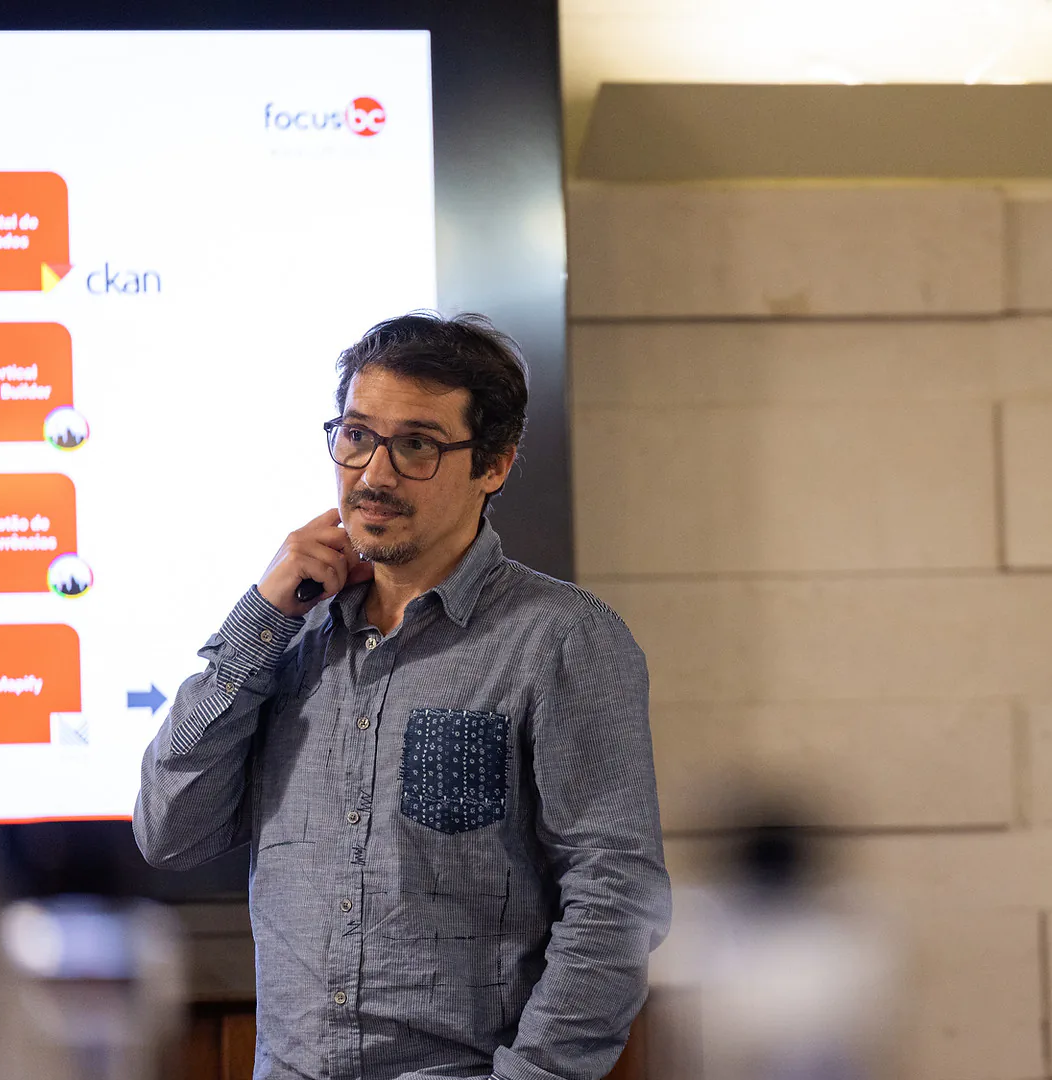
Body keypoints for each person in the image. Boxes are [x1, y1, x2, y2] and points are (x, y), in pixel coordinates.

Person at [134, 312, 671, 1080]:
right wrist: (259, 618)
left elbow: (617, 900)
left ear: (495, 465)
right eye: (356, 436)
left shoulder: (560, 639)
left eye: (416, 445)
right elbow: (168, 832)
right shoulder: (289, 635)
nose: (374, 474)